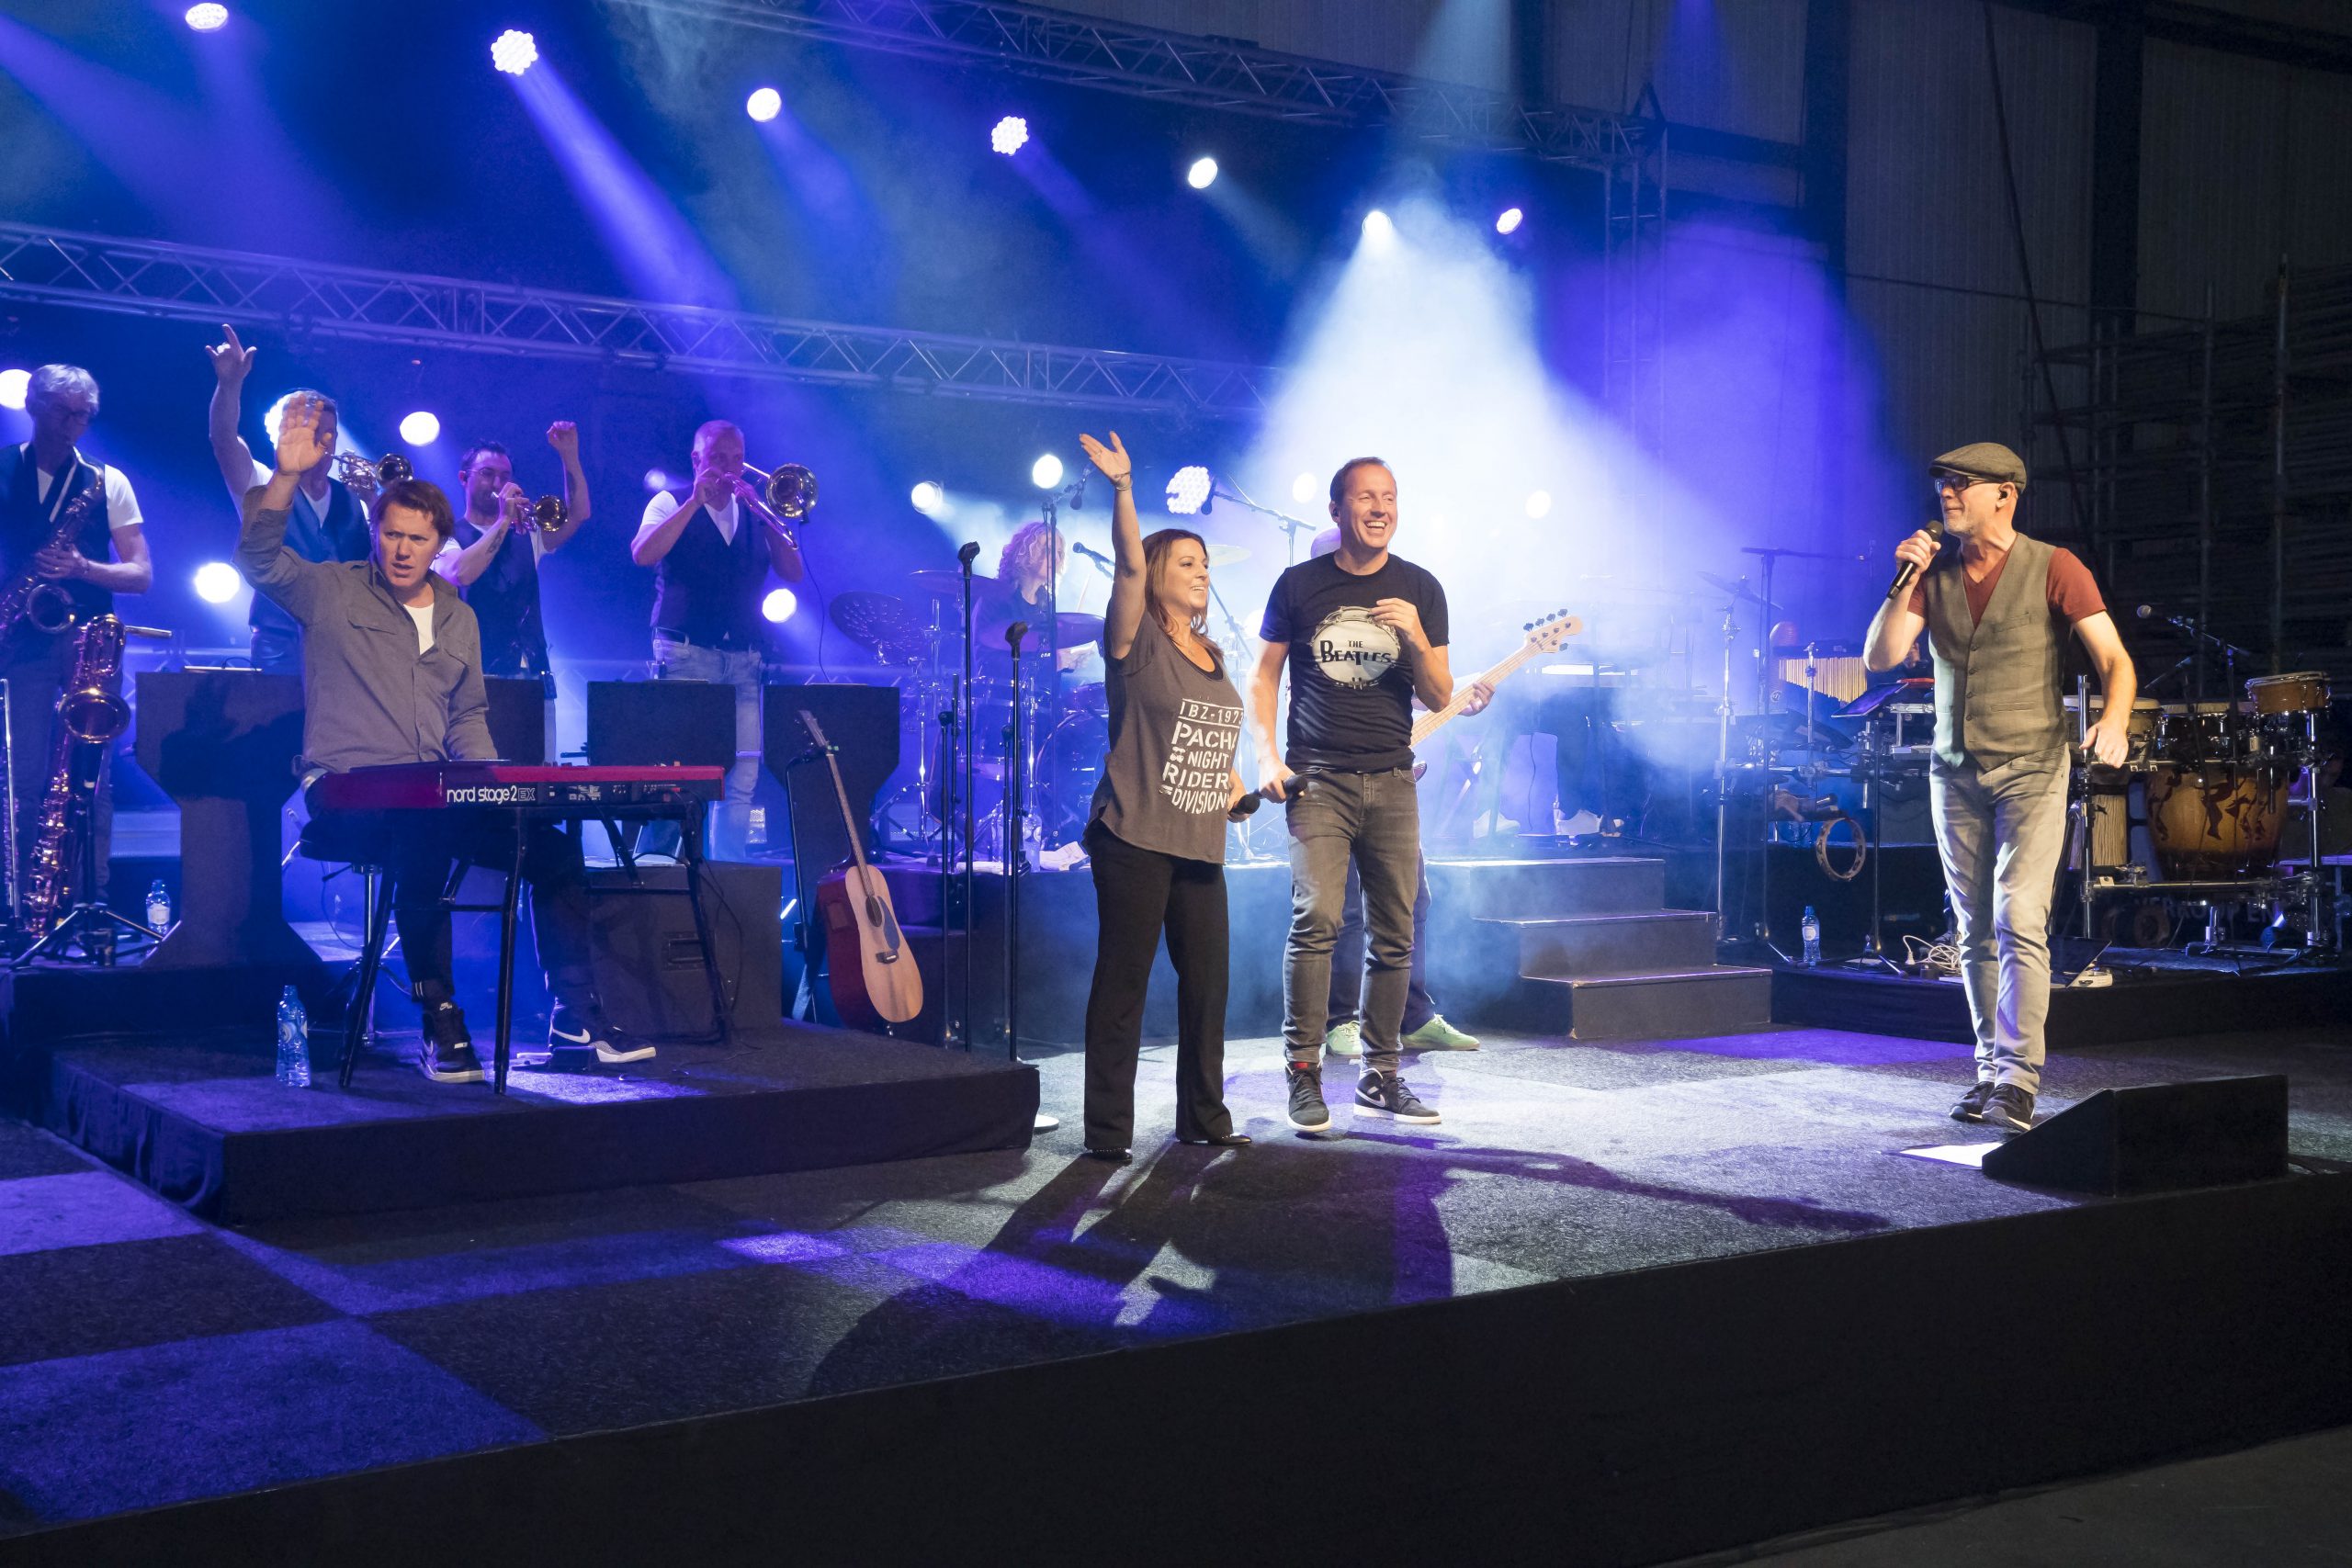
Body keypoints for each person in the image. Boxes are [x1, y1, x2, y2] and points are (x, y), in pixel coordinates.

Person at [238, 393, 644, 1081]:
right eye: (393, 535)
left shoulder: (459, 616)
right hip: (344, 792)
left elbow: (467, 718)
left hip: (436, 795)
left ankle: (576, 1014)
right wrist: (283, 475)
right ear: (375, 533)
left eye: (418, 539)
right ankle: (440, 1017)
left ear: (438, 543)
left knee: (548, 847)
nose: (403, 550)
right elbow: (257, 559)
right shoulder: (331, 590)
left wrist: (494, 789)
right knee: (421, 831)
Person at [1863, 442, 2135, 1134]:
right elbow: (1881, 657)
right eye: (1943, 484)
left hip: (2033, 766)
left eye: (1963, 483)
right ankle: (1989, 1072)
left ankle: (2018, 1078)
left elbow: (2115, 659)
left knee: (2018, 916)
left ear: (2005, 494)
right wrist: (1902, 578)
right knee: (1973, 927)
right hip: (1954, 770)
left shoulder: (2055, 566)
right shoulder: (1932, 573)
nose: (1948, 494)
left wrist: (2113, 720)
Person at [1252, 457, 1456, 1132]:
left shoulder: (1421, 588)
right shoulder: (1300, 584)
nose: (1380, 508)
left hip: (1394, 780)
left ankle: (1382, 1073)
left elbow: (1440, 694)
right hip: (1318, 781)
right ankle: (1303, 1070)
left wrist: (1415, 635)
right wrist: (1266, 756)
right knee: (1317, 921)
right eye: (1366, 497)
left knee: (1395, 931)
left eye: (1389, 497)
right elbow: (1263, 677)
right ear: (1338, 510)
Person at [1070, 431, 1251, 1163]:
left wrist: (1234, 784)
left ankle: (1203, 1117)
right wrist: (1123, 489)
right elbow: (1125, 565)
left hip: (1200, 843)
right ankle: (1108, 1133)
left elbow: (1209, 739)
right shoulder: (1135, 638)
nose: (1201, 572)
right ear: (1156, 573)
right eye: (1186, 562)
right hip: (1135, 835)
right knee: (1125, 985)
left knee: (1207, 987)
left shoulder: (1214, 654)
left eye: (1205, 563)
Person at [1301, 530, 1483, 1059]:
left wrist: (1460, 696)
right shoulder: (1313, 628)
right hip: (1330, 783)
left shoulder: (1391, 623)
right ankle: (1340, 1018)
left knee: (1411, 901)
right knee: (1341, 910)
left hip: (1391, 780)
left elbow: (1418, 696)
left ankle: (1413, 1014)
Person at [0, 364, 154, 912]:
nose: (73, 425)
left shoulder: (107, 481)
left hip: (89, 643)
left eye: (83, 415)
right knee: (22, 780)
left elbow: (141, 574)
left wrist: (82, 567)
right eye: (63, 412)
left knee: (91, 779)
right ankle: (19, 907)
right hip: (19, 641)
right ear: (33, 406)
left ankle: (91, 904)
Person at [630, 419, 804, 859]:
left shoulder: (755, 511)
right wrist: (694, 501)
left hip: (743, 659)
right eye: (718, 458)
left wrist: (767, 516)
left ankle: (729, 876)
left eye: (737, 459)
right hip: (685, 652)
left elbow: (794, 573)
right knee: (676, 773)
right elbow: (643, 553)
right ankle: (656, 868)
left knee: (742, 776)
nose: (729, 468)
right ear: (696, 460)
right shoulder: (669, 501)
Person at [206, 325, 373, 673]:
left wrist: (375, 502)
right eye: (312, 432)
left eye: (330, 433)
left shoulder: (354, 499)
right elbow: (223, 439)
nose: (323, 442)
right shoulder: (261, 481)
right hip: (280, 645)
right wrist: (230, 384)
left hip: (347, 643)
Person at [435, 429, 593, 752]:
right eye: (487, 474)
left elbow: (579, 514)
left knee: (538, 771)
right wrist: (503, 521)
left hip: (533, 674)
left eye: (505, 476)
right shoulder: (444, 534)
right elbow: (461, 573)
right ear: (464, 478)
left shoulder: (526, 534)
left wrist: (570, 456)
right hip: (475, 679)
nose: (497, 483)